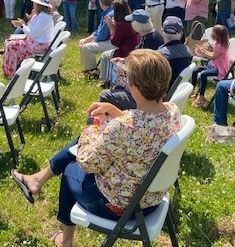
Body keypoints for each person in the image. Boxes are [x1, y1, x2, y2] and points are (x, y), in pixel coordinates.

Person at [10, 49, 181, 247]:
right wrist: (116, 113)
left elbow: (86, 163)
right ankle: (37, 180)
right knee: (85, 143)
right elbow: (142, 126)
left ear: (134, 86)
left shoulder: (122, 129)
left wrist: (92, 126)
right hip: (152, 201)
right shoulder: (172, 111)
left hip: (119, 205)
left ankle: (66, 241)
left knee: (70, 170)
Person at [98, 9, 164, 110]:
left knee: (107, 93)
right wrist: (124, 60)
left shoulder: (149, 42)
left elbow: (143, 69)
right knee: (117, 80)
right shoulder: (151, 35)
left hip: (144, 93)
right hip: (145, 87)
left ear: (137, 25)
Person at [1, 0, 55, 77]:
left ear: (38, 5)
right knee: (8, 41)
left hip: (40, 44)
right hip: (34, 41)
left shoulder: (44, 17)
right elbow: (31, 29)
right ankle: (10, 70)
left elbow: (32, 34)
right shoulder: (39, 15)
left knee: (11, 45)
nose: (33, 5)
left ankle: (12, 72)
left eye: (35, 3)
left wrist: (22, 26)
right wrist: (23, 24)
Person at [98, 0, 140, 88]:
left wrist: (111, 28)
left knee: (104, 56)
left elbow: (114, 42)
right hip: (134, 48)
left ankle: (104, 81)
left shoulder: (121, 25)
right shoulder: (130, 20)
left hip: (125, 51)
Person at [191, 25, 230, 108]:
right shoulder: (217, 43)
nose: (212, 34)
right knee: (195, 70)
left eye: (213, 32)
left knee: (203, 74)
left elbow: (213, 57)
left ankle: (201, 97)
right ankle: (191, 91)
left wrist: (203, 52)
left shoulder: (221, 46)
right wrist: (203, 51)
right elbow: (213, 54)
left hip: (220, 69)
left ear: (218, 35)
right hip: (214, 66)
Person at [79, 0, 114, 76]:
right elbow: (98, 31)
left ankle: (92, 71)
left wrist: (90, 42)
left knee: (86, 47)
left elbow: (102, 35)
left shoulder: (109, 15)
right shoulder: (107, 12)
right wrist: (86, 40)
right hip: (107, 40)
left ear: (101, 3)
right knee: (83, 43)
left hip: (111, 42)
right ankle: (89, 67)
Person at [157, 16, 193, 87]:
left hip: (160, 94)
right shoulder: (188, 52)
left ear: (162, 32)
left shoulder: (159, 56)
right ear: (181, 34)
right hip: (179, 91)